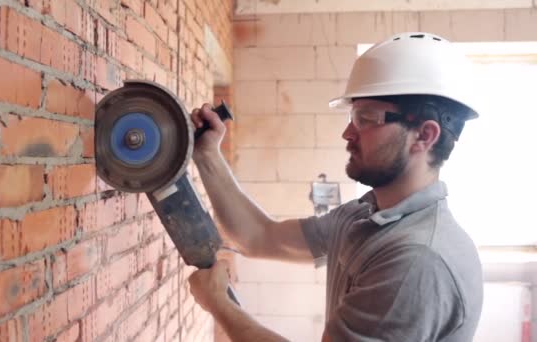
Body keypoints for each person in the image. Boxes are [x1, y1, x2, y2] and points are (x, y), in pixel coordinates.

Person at [187, 32, 484, 341]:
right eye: (352, 116)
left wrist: (219, 303)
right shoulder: (363, 216)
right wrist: (207, 154)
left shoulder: (418, 260)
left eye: (366, 118)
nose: (347, 133)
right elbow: (260, 237)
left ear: (424, 136)